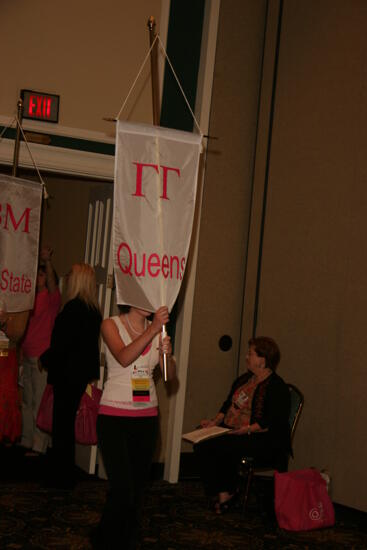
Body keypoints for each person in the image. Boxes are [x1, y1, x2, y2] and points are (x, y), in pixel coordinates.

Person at [92, 305, 176, 549]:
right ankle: (108, 540)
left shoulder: (158, 331)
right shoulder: (110, 324)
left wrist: (167, 355)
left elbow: (169, 377)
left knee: (137, 489)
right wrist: (152, 330)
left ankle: (116, 538)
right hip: (113, 417)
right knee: (122, 487)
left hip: (146, 416)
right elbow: (124, 356)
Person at [194, 336, 291, 514]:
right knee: (201, 438)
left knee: (222, 445)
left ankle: (226, 494)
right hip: (233, 430)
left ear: (263, 360)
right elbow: (227, 405)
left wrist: (245, 429)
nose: (247, 357)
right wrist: (214, 422)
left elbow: (270, 422)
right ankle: (222, 490)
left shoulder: (277, 387)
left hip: (261, 437)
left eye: (250, 354)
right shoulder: (244, 380)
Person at [40, 263, 102, 488]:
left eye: (70, 274)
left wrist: (45, 359)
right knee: (66, 426)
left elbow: (62, 346)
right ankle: (65, 475)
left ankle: (61, 477)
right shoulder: (93, 311)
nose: (67, 277)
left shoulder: (73, 309)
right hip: (79, 375)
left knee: (62, 427)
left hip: (66, 374)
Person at [20, 246, 61, 455]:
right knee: (27, 401)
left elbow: (53, 285)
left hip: (40, 357)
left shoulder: (52, 299)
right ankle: (26, 440)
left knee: (39, 401)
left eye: (42, 274)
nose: (39, 278)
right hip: (26, 354)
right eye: (37, 274)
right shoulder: (29, 298)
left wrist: (47, 262)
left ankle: (39, 446)